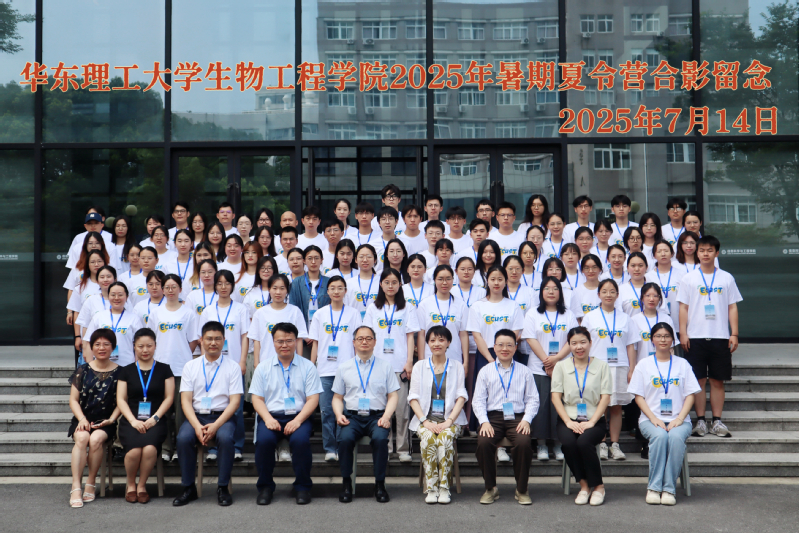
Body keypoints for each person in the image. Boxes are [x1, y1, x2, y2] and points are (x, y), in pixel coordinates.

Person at [250, 322, 323, 505]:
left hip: (299, 416)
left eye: (289, 341)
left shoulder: (308, 367)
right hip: (271, 416)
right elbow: (256, 398)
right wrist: (268, 418)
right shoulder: (263, 368)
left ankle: (303, 487)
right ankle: (265, 487)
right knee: (264, 441)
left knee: (300, 441)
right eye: (280, 341)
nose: (284, 345)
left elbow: (313, 399)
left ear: (296, 341)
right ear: (273, 342)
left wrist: (298, 421)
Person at [629, 322, 701, 505]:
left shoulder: (682, 364)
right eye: (659, 336)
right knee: (660, 437)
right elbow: (638, 397)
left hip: (679, 419)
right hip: (650, 419)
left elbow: (690, 395)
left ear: (673, 340)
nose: (663, 339)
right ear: (652, 339)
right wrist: (653, 418)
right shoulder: (643, 365)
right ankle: (654, 487)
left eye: (667, 336)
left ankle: (669, 489)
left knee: (675, 438)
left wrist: (680, 418)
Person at [173, 321, 242, 507]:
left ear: (224, 340)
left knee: (225, 438)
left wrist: (216, 425)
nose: (213, 343)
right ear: (201, 340)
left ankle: (222, 487)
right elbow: (185, 401)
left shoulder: (233, 367)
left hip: (222, 417)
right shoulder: (190, 366)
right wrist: (197, 426)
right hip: (197, 417)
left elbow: (235, 402)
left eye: (217, 339)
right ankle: (188, 488)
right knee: (183, 438)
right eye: (209, 339)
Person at [678, 235, 742, 438]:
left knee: (717, 380)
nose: (705, 254)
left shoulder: (726, 278)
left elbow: (732, 307)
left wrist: (734, 333)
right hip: (695, 337)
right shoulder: (689, 278)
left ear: (717, 253)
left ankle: (717, 421)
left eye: (709, 250)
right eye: (702, 250)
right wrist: (683, 333)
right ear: (697, 253)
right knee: (697, 381)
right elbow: (683, 307)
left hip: (720, 336)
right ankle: (700, 421)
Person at [332, 325, 400, 503]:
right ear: (353, 342)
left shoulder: (385, 366)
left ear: (375, 342)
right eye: (360, 338)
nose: (364, 342)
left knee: (380, 439)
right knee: (344, 439)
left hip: (377, 417)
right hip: (352, 417)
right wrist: (339, 415)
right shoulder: (344, 367)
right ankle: (346, 483)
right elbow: (337, 397)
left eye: (368, 338)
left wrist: (386, 417)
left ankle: (380, 484)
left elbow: (393, 395)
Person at [472, 329, 539, 505]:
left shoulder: (525, 371)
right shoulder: (485, 371)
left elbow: (533, 399)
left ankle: (522, 489)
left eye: (509, 345)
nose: (505, 348)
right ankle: (490, 488)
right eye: (500, 345)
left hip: (517, 418)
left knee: (523, 442)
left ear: (515, 348)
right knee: (484, 442)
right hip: (492, 418)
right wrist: (484, 422)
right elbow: (478, 401)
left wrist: (526, 420)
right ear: (494, 347)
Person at [466, 265, 525, 453]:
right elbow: (477, 335)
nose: (496, 283)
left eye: (500, 279)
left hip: (508, 353)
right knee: (486, 394)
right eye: (493, 279)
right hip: (486, 354)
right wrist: (491, 360)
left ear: (506, 281)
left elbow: (516, 333)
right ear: (487, 282)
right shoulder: (478, 306)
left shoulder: (513, 305)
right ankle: (488, 432)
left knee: (508, 393)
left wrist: (503, 353)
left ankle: (506, 440)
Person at [551, 326, 612, 506]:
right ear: (569, 345)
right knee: (569, 443)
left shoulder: (602, 366)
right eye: (574, 343)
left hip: (595, 420)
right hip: (568, 419)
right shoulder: (561, 366)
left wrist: (592, 422)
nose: (579, 347)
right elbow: (555, 397)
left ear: (590, 343)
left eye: (583, 342)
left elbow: (605, 397)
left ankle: (599, 486)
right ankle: (584, 486)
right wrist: (568, 422)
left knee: (584, 442)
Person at [363, 268, 420, 462]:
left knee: (402, 409)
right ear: (381, 284)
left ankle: (403, 448)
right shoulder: (373, 308)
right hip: (378, 366)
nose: (390, 286)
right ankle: (385, 447)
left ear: (400, 284)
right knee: (381, 409)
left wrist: (409, 362)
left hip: (400, 366)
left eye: (394, 282)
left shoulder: (407, 307)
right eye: (387, 282)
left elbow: (410, 336)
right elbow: (367, 336)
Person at [408, 326, 468, 504]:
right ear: (427, 343)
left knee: (444, 438)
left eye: (441, 340)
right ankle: (431, 488)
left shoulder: (457, 366)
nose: (437, 344)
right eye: (433, 340)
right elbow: (413, 398)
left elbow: (461, 397)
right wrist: (425, 421)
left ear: (449, 343)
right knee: (428, 438)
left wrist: (449, 421)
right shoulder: (420, 366)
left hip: (451, 420)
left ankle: (444, 488)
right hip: (425, 420)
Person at [580, 279, 638, 460]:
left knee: (616, 407)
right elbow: (584, 343)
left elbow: (630, 345)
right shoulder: (590, 317)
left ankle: (615, 444)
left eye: (612, 291)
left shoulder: (625, 318)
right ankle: (602, 443)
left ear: (617, 295)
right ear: (598, 294)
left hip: (620, 366)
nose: (608, 295)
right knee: (600, 406)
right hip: (597, 366)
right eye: (604, 291)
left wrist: (632, 369)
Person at [116, 328, 175, 503]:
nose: (145, 350)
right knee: (134, 451)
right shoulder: (126, 370)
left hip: (156, 420)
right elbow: (121, 399)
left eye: (149, 345)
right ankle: (130, 484)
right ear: (134, 346)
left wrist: (154, 418)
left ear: (155, 346)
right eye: (140, 346)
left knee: (149, 449)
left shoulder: (165, 369)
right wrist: (133, 421)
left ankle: (141, 485)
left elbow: (169, 397)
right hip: (131, 420)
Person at [522, 277, 578, 461]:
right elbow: (530, 339)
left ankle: (559, 444)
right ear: (541, 292)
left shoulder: (568, 314)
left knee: (560, 406)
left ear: (560, 292)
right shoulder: (532, 313)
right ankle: (541, 445)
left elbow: (573, 339)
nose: (551, 292)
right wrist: (547, 362)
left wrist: (557, 359)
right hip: (538, 368)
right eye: (547, 288)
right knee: (541, 406)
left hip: (564, 368)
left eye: (555, 288)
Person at [309, 276, 362, 461]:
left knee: (346, 411)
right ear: (327, 291)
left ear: (345, 291)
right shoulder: (320, 314)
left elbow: (357, 342)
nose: (336, 291)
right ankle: (330, 448)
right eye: (333, 288)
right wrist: (312, 366)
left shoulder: (354, 314)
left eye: (340, 288)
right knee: (326, 411)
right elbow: (315, 343)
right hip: (324, 370)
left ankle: (343, 446)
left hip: (347, 370)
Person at [199, 270, 249, 462]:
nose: (223, 287)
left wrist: (242, 361)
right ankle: (213, 447)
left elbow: (245, 336)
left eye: (227, 283)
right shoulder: (208, 311)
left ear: (232, 286)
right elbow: (202, 338)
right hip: (211, 364)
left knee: (236, 407)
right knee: (214, 405)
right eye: (219, 283)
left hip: (233, 364)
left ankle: (236, 446)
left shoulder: (240, 309)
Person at [67, 329, 121, 508]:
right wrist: (82, 419)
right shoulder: (82, 370)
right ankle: (76, 486)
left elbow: (122, 402)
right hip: (83, 418)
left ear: (113, 347)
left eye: (106, 344)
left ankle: (91, 481)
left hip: (106, 421)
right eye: (97, 344)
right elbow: (73, 400)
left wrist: (112, 419)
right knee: (82, 438)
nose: (101, 348)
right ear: (91, 347)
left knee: (96, 439)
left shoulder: (121, 373)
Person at [149, 274, 200, 462]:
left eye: (174, 287)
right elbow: (150, 340)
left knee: (181, 412)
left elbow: (193, 340)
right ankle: (165, 447)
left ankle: (181, 447)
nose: (170, 290)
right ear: (162, 289)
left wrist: (183, 354)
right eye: (167, 287)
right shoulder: (156, 313)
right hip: (160, 369)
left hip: (182, 368)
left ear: (180, 289)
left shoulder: (188, 313)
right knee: (162, 410)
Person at [416, 265, 469, 366]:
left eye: (448, 279)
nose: (444, 283)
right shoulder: (425, 304)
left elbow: (463, 335)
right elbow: (421, 334)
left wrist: (466, 361)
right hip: (430, 359)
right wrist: (421, 361)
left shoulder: (461, 305)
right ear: (434, 280)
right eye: (440, 279)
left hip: (454, 357)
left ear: (453, 280)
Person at [250, 274, 308, 366]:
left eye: (282, 288)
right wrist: (256, 363)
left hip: (290, 363)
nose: (278, 292)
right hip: (266, 363)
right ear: (269, 289)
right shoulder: (260, 313)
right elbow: (256, 341)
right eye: (275, 288)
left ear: (287, 290)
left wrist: (299, 363)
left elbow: (299, 339)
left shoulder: (295, 311)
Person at [82, 281, 143, 366]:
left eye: (120, 295)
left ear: (127, 297)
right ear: (108, 296)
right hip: (101, 366)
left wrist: (137, 366)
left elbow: (139, 344)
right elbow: (89, 342)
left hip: (126, 365)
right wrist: (91, 367)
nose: (116, 298)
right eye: (113, 295)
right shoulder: (99, 317)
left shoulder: (134, 318)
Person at [288, 246, 331, 356]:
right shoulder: (297, 283)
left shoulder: (328, 282)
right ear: (304, 261)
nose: (313, 262)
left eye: (316, 258)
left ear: (322, 260)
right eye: (310, 258)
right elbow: (293, 311)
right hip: (303, 338)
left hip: (324, 336)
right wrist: (305, 336)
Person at [346, 244, 380, 317]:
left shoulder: (381, 282)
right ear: (356, 259)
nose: (365, 260)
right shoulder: (349, 283)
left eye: (369, 257)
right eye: (361, 257)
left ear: (374, 260)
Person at [571, 254, 603, 324]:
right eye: (587, 268)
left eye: (594, 267)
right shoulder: (577, 291)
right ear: (582, 270)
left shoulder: (606, 289)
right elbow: (577, 318)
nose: (590, 271)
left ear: (600, 269)